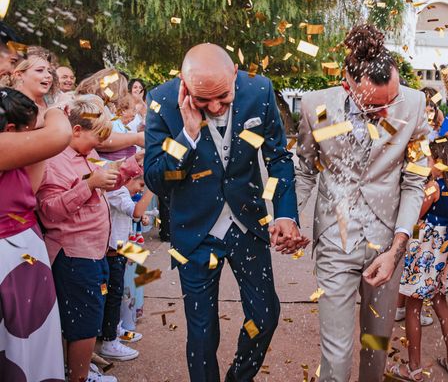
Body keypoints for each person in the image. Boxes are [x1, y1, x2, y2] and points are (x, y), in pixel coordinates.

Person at [144, 43, 307, 382]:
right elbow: (158, 179)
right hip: (195, 234)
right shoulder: (161, 102)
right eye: (204, 100)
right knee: (203, 334)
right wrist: (187, 136)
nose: (216, 107)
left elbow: (278, 160)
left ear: (234, 73)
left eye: (223, 96)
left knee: (264, 317)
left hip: (248, 226)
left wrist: (284, 214)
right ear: (184, 86)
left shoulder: (258, 90)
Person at [295, 24, 430, 382]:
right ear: (347, 85)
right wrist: (287, 217)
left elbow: (416, 180)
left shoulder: (415, 104)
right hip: (335, 241)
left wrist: (397, 249)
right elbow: (305, 169)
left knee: (376, 345)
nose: (386, 112)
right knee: (336, 354)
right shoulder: (315, 106)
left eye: (391, 101)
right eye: (374, 106)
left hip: (387, 244)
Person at [37, 94, 143, 382]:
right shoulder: (53, 162)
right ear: (76, 131)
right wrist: (89, 185)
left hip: (95, 251)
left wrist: (134, 162)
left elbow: (106, 181)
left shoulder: (88, 155)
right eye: (97, 137)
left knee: (91, 316)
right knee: (82, 323)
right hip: (73, 254)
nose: (100, 144)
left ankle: (81, 371)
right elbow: (49, 211)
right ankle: (79, 377)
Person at [390, 136, 448, 381]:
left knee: (413, 306)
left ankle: (413, 368)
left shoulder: (432, 188)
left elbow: (415, 217)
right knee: (442, 304)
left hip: (426, 251)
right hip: (447, 251)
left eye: (430, 159)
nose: (427, 163)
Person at [0, 87, 71, 382]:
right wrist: (53, 108)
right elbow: (59, 136)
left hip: (24, 253)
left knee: (30, 342)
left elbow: (30, 185)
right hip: (7, 255)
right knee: (15, 343)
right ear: (11, 129)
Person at [99, 175, 153, 361]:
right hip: (112, 255)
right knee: (113, 297)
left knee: (117, 295)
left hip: (119, 253)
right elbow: (135, 212)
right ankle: (109, 341)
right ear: (129, 178)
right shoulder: (117, 192)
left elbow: (133, 216)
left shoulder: (122, 193)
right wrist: (151, 190)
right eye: (140, 184)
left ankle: (115, 328)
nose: (140, 189)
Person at [9, 53, 54, 124]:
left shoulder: (53, 101)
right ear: (19, 75)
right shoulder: (9, 104)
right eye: (40, 70)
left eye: (49, 71)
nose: (48, 75)